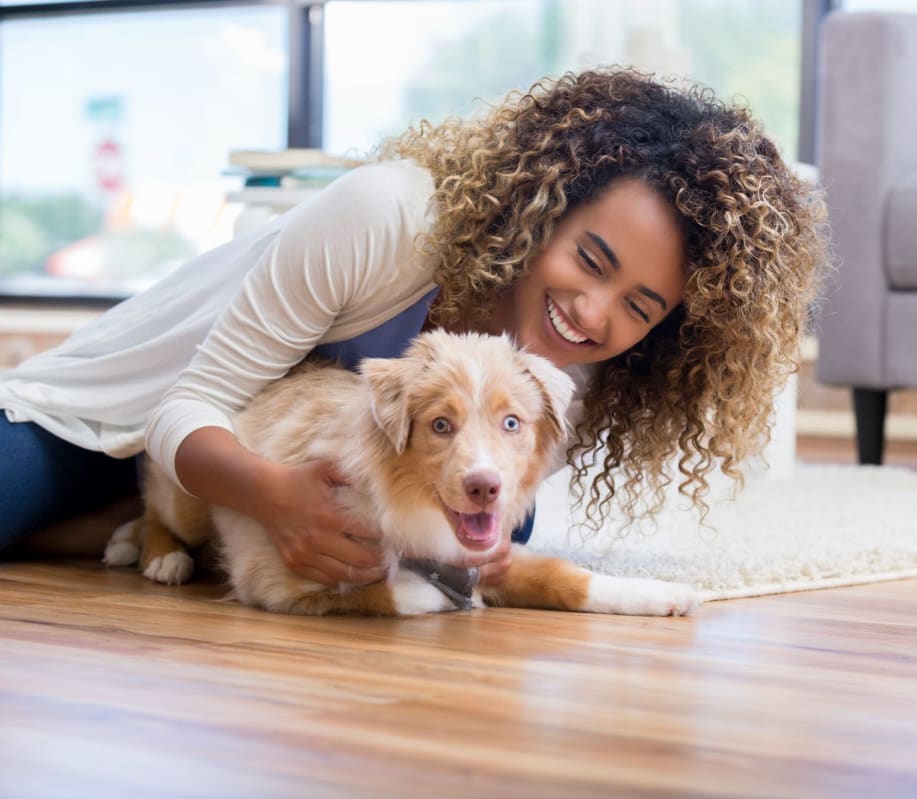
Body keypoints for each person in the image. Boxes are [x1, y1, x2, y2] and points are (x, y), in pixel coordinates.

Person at [0, 67, 827, 586]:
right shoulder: (388, 217)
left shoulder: (571, 363)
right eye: (593, 259)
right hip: (106, 415)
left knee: (503, 521)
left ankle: (135, 526)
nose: (593, 313)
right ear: (548, 206)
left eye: (641, 307)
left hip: (219, 467)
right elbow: (190, 403)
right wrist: (274, 499)